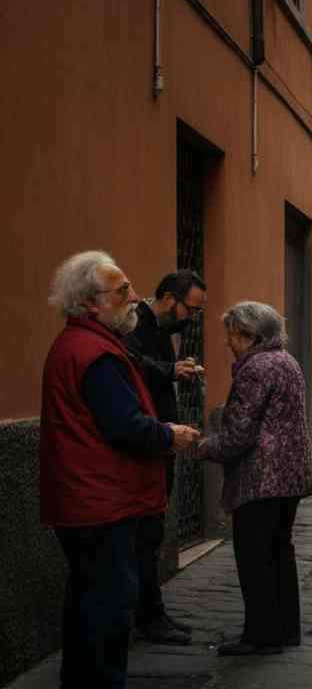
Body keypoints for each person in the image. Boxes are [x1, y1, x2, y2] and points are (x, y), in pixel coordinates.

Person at [41, 251, 200, 689]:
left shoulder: (82, 345)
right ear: (91, 303)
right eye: (122, 291)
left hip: (88, 497)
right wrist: (169, 434)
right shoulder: (96, 354)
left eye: (131, 287)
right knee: (108, 605)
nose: (134, 298)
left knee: (91, 601)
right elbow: (124, 426)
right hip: (100, 500)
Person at [197, 302, 312, 656]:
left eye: (231, 335)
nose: (228, 343)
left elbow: (239, 433)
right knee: (280, 550)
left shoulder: (254, 369)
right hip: (289, 475)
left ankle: (262, 634)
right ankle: (285, 629)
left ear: (249, 335)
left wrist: (202, 447)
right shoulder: (286, 360)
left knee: (254, 556)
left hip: (261, 476)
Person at [121, 270, 208, 646]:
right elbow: (132, 365)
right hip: (145, 444)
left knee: (152, 533)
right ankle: (148, 618)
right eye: (191, 309)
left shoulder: (161, 331)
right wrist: (171, 370)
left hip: (160, 440)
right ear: (170, 300)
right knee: (145, 534)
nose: (193, 318)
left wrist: (177, 373)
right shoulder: (135, 323)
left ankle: (152, 614)